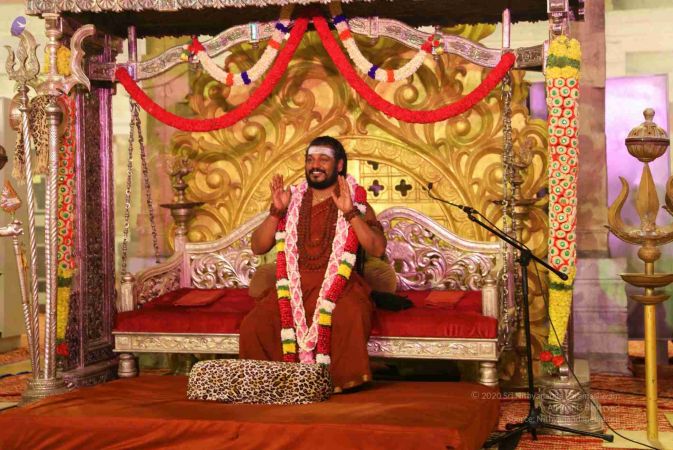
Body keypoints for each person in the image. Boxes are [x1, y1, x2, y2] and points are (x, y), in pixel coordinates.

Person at [239, 136, 386, 392]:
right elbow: (258, 247)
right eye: (310, 159)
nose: (315, 165)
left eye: (323, 159)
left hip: (340, 287)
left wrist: (350, 212)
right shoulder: (291, 201)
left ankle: (337, 386)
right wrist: (276, 212)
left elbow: (377, 248)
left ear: (339, 165)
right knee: (255, 323)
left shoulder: (356, 202)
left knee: (350, 314)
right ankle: (270, 385)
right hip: (293, 286)